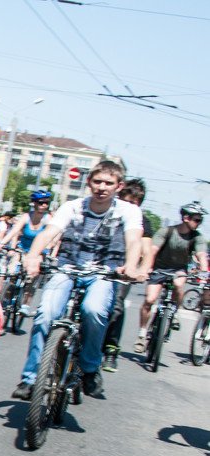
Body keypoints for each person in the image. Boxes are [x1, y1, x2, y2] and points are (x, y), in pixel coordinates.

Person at [11, 160, 144, 401]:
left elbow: (134, 240)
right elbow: (49, 232)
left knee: (94, 310)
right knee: (45, 314)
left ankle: (90, 369)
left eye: (108, 183)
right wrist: (32, 256)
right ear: (88, 182)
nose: (102, 187)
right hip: (67, 269)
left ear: (118, 186)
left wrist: (132, 266)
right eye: (97, 181)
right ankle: (30, 379)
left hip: (104, 274)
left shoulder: (128, 210)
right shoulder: (72, 206)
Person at [133, 201, 207, 354]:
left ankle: (175, 314)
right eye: (197, 219)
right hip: (160, 268)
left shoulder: (197, 237)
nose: (199, 223)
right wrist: (145, 269)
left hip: (179, 269)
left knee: (179, 285)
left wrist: (205, 271)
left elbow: (201, 254)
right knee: (150, 300)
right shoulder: (166, 231)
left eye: (200, 220)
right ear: (186, 218)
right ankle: (141, 335)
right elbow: (153, 250)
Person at [101, 179, 154, 371]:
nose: (131, 206)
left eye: (136, 203)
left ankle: (110, 349)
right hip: (99, 264)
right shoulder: (107, 211)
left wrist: (144, 269)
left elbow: (146, 249)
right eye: (128, 201)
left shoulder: (142, 221)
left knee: (116, 305)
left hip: (124, 269)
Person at [0, 188, 54, 317]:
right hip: (22, 249)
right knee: (12, 273)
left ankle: (25, 305)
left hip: (39, 253)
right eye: (40, 202)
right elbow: (14, 231)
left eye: (46, 203)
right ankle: (6, 299)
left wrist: (48, 248)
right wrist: (2, 244)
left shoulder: (48, 218)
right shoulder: (26, 216)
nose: (44, 205)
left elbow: (51, 236)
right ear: (34, 203)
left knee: (31, 279)